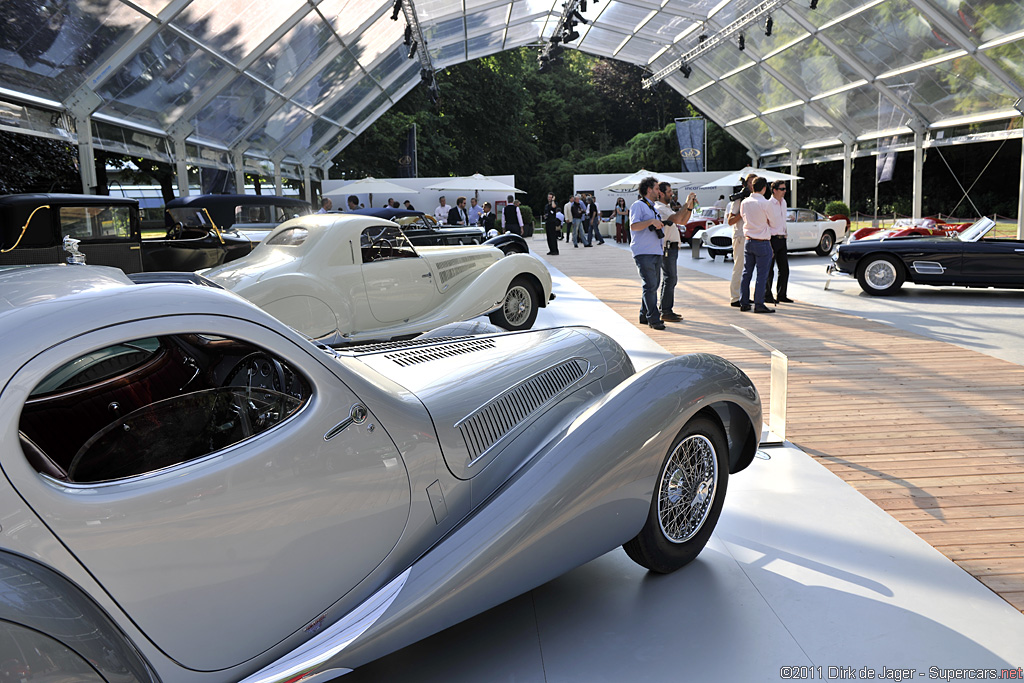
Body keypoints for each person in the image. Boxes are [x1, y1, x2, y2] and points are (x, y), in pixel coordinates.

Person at [654, 182, 696, 323]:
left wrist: (689, 206)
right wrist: (686, 203)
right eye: (669, 191)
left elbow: (683, 221)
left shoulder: (666, 207)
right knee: (670, 279)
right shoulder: (660, 207)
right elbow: (678, 218)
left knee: (670, 279)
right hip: (667, 248)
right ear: (661, 193)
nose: (672, 194)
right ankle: (665, 310)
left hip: (670, 247)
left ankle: (665, 309)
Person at [629, 177, 666, 330]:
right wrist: (651, 222)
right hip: (644, 251)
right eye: (657, 188)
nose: (659, 191)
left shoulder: (653, 208)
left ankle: (644, 315)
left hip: (655, 250)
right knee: (650, 285)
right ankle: (654, 319)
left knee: (653, 285)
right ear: (649, 189)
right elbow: (634, 225)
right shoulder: (638, 205)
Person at [738, 176, 775, 313]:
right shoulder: (766, 203)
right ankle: (759, 304)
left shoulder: (745, 202)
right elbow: (773, 222)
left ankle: (744, 302)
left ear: (752, 187)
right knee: (761, 275)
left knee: (746, 273)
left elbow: (743, 217)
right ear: (764, 188)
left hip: (749, 240)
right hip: (762, 241)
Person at [726, 173, 756, 308]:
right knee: (739, 267)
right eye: (750, 183)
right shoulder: (738, 199)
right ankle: (735, 297)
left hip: (749, 236)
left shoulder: (754, 199)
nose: (752, 185)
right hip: (739, 236)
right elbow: (730, 220)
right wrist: (742, 212)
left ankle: (744, 295)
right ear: (746, 184)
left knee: (747, 268)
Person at [765, 180, 794, 304]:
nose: (785, 191)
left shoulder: (784, 203)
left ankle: (782, 294)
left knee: (784, 269)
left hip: (782, 238)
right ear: (774, 190)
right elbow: (766, 224)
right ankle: (767, 295)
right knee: (769, 269)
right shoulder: (768, 204)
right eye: (782, 189)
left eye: (785, 188)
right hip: (772, 239)